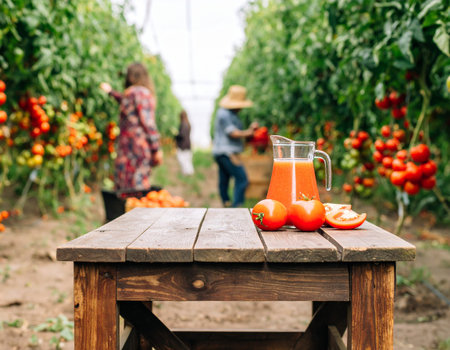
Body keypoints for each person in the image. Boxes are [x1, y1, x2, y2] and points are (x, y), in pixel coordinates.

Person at [100, 62, 163, 192]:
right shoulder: (143, 93)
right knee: (138, 187)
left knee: (125, 186)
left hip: (125, 149)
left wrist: (110, 91)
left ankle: (127, 211)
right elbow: (148, 123)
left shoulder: (130, 93)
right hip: (138, 149)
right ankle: (138, 211)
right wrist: (156, 149)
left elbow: (124, 101)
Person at [212, 85, 258, 208]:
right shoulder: (224, 114)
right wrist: (249, 132)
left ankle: (226, 202)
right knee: (242, 179)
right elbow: (232, 133)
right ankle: (236, 207)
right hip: (227, 153)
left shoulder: (231, 114)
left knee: (224, 178)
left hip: (221, 152)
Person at [175, 109, 194, 175]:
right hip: (188, 145)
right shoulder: (188, 124)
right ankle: (189, 173)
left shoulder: (183, 124)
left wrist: (176, 135)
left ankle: (187, 173)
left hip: (183, 145)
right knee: (187, 159)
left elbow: (182, 135)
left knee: (182, 159)